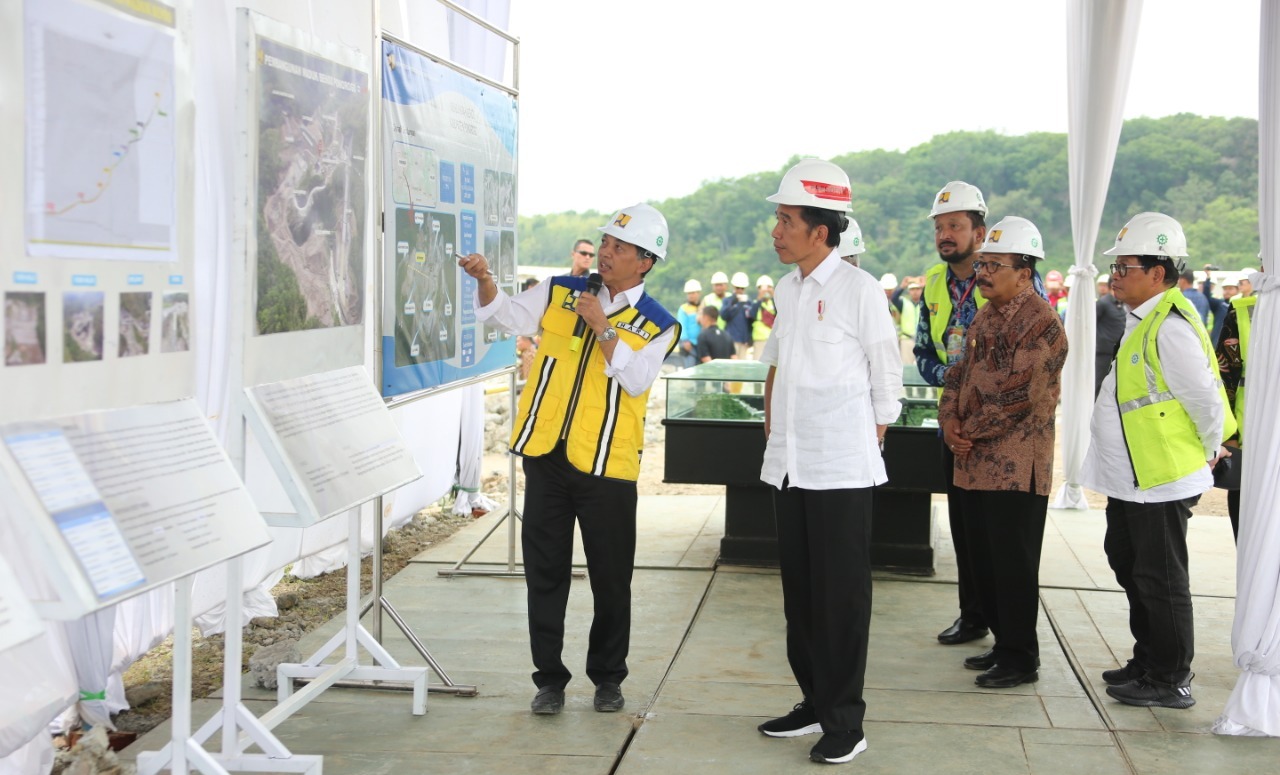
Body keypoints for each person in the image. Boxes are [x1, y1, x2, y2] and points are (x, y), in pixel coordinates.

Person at [458, 203, 679, 717]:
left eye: (619, 247)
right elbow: (503, 313)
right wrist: (486, 279)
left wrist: (602, 326)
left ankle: (608, 678)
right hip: (547, 456)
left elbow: (636, 379)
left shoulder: (660, 323)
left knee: (610, 578)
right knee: (545, 573)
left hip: (607, 468)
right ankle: (549, 680)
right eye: (604, 242)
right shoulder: (562, 290)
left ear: (646, 261)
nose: (606, 252)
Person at [754, 159, 902, 765]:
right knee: (802, 597)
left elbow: (886, 377)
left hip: (840, 468)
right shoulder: (788, 292)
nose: (776, 230)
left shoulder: (859, 290)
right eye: (778, 219)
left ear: (821, 231)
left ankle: (846, 722)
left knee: (841, 600)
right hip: (790, 466)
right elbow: (780, 372)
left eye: (786, 220)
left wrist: (869, 437)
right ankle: (814, 700)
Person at [1081, 212, 1235, 710]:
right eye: (1116, 267)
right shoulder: (1141, 318)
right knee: (1129, 564)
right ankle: (1149, 658)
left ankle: (1171, 677)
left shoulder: (1169, 327)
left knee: (1161, 578)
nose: (1115, 275)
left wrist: (1210, 450)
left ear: (1159, 271)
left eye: (1126, 266)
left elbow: (1207, 401)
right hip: (1133, 477)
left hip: (1160, 477)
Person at [938, 216, 1067, 689]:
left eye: (994, 264)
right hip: (974, 461)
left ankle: (1020, 658)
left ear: (1024, 270)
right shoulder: (986, 313)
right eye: (983, 263)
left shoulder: (1043, 323)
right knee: (984, 561)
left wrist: (968, 429)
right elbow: (958, 374)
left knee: (1013, 566)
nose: (983, 272)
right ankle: (1002, 644)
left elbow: (1023, 396)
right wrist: (949, 420)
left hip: (1016, 467)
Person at [914, 180, 990, 647]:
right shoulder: (934, 283)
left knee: (994, 531)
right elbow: (923, 349)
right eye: (940, 227)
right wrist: (949, 380)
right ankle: (972, 615)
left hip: (997, 425)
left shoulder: (1008, 272)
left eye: (955, 226)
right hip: (953, 419)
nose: (945, 235)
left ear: (979, 233)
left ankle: (1006, 627)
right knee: (963, 526)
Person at [1215, 290, 1257, 540]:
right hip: (1249, 442)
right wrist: (1229, 436)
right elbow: (1223, 378)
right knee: (1249, 533)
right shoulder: (1243, 311)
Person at [1095, 274, 1126, 398]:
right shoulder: (1103, 303)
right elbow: (1091, 324)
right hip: (1104, 353)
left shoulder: (1123, 303)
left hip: (1120, 353)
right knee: (1099, 384)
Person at [719, 271, 754, 359]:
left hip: (743, 340)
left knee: (742, 367)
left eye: (742, 288)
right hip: (731, 339)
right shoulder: (727, 300)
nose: (740, 290)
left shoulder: (748, 302)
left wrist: (749, 337)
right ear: (734, 287)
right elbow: (723, 316)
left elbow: (752, 321)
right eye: (738, 288)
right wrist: (733, 304)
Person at [747, 275, 776, 360]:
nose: (765, 291)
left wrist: (773, 295)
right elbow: (752, 314)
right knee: (759, 363)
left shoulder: (774, 303)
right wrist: (760, 299)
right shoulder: (756, 304)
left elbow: (779, 314)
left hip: (772, 339)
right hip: (759, 339)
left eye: (768, 288)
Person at [676, 279, 702, 367]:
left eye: (693, 293)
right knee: (690, 368)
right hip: (689, 343)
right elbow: (682, 326)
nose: (691, 296)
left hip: (701, 343)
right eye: (689, 293)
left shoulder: (703, 307)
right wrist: (685, 341)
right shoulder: (683, 308)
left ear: (698, 293)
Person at [898, 281, 922, 364]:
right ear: (909, 291)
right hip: (907, 339)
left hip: (922, 339)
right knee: (907, 365)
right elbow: (894, 298)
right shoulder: (903, 303)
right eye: (912, 289)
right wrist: (902, 287)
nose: (915, 292)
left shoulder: (925, 303)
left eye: (917, 289)